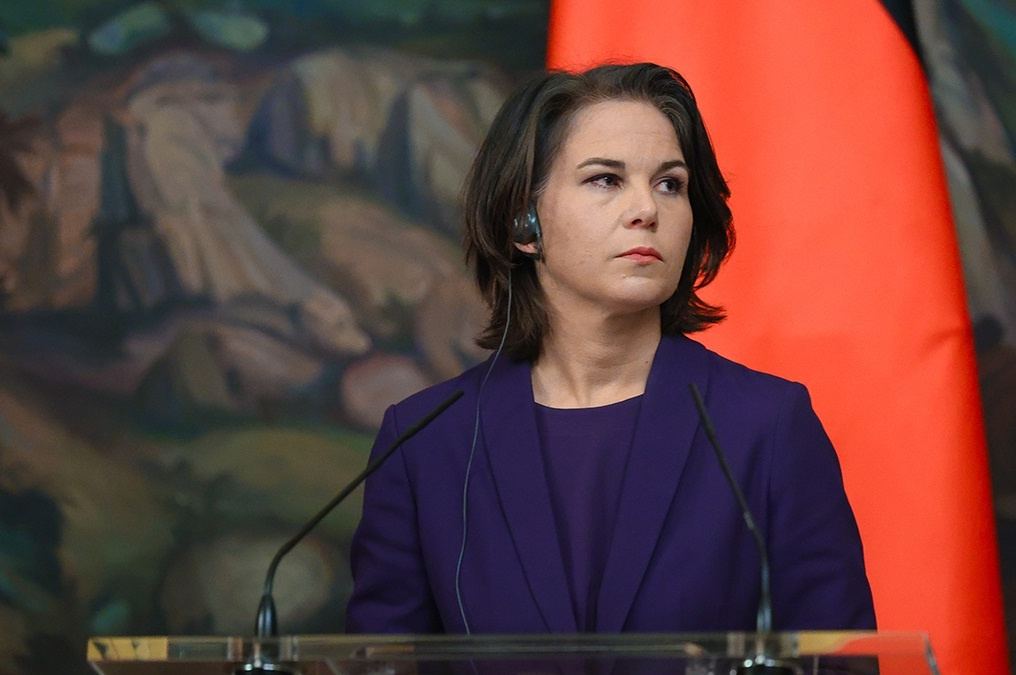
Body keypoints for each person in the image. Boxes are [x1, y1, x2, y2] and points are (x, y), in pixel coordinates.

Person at [346, 63, 875, 633]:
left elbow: (835, 661)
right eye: (605, 179)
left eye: (670, 184)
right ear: (524, 223)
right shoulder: (425, 441)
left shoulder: (765, 426)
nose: (647, 209)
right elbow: (382, 662)